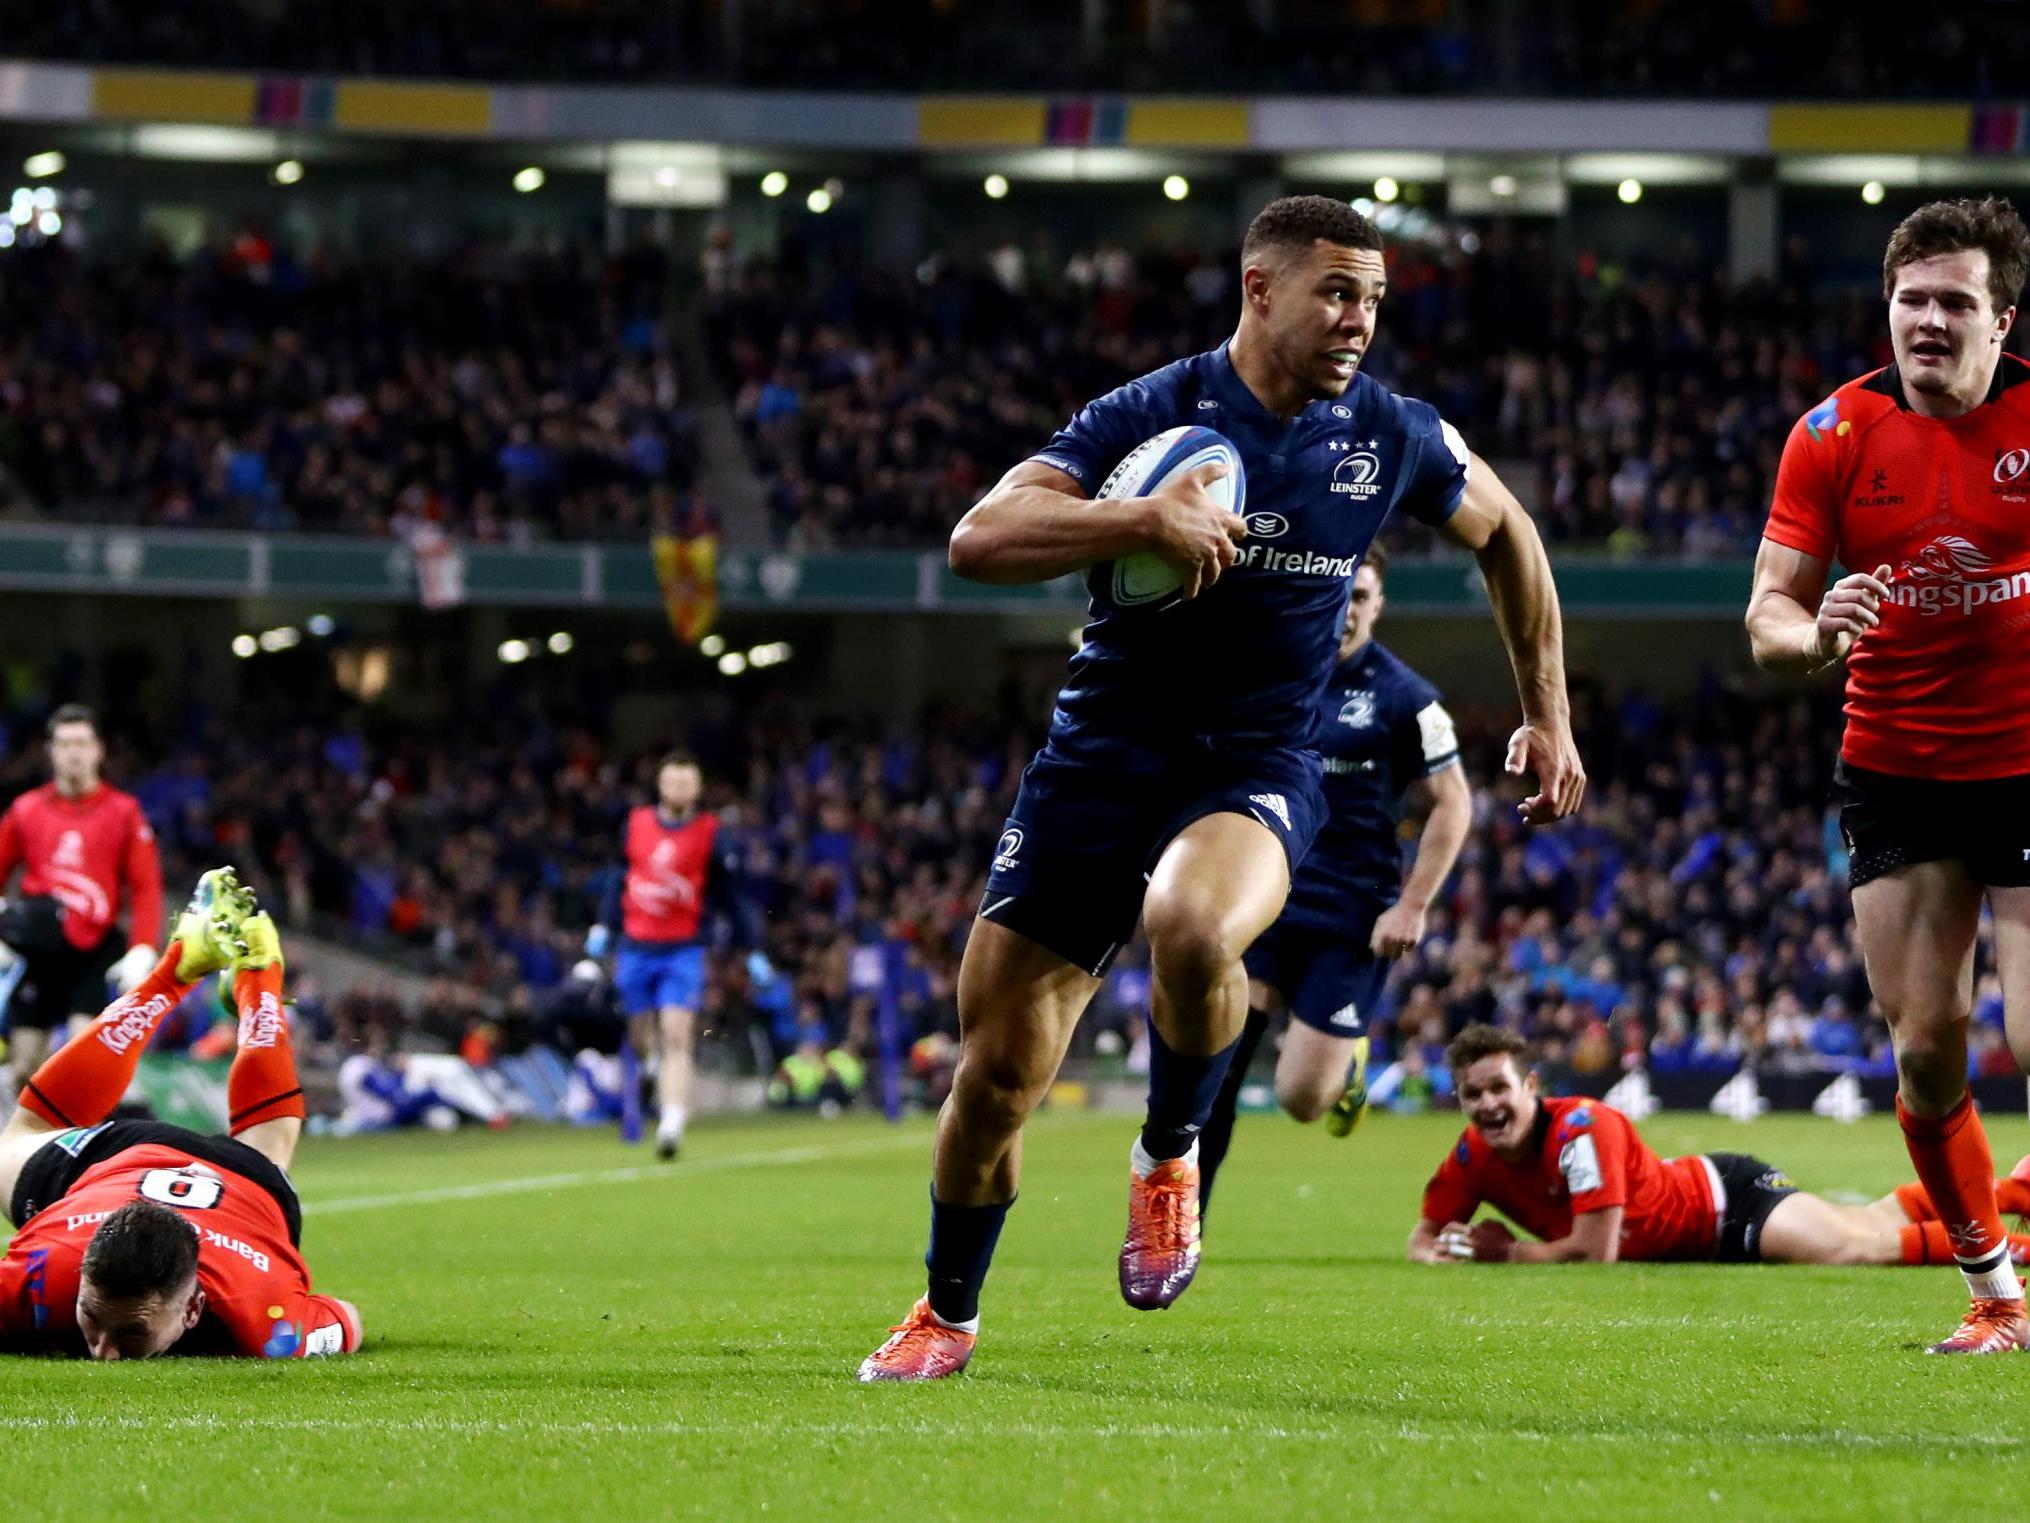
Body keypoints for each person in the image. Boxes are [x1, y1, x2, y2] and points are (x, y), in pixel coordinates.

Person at [858, 195, 1585, 1382]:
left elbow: (1507, 534)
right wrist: (1140, 517)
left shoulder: (1392, 432)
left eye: (1374, 299)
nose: (1358, 320)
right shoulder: (1150, 412)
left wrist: (1547, 716)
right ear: (1259, 289)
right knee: (990, 1078)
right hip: (1096, 762)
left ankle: (1168, 1153)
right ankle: (945, 1311)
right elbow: (978, 537)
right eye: (1335, 293)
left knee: (1191, 924)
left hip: (1254, 763)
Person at [1745, 195, 2030, 1352]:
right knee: (1922, 1046)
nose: (1925, 319)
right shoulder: (1830, 435)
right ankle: (1996, 1296)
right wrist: (1815, 629)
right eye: (1909, 298)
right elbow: (1764, 610)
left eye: (1952, 301)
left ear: (1999, 316)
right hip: (1897, 766)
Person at [1196, 544, 1472, 1213]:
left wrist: (1412, 905)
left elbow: (1453, 803)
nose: (1347, 609)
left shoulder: (1408, 698)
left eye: (1362, 596)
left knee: (1299, 1099)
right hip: (1269, 895)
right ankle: (1182, 1221)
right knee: (1221, 1065)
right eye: (1341, 592)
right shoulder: (1280, 670)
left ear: (1380, 604)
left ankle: (1346, 1068)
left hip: (1352, 913)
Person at [0, 868, 361, 1358]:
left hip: (144, 1167)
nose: (103, 1354)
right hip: (167, 1172)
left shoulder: (263, 1317)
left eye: (131, 1333)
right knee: (268, 1153)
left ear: (193, 1309)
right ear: (81, 1276)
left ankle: (193, 968)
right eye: (89, 1316)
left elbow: (348, 1320)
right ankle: (258, 978)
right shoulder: (44, 1273)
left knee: (25, 1133)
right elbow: (347, 1318)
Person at [1410, 1024, 2030, 1270]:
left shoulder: (1581, 1129)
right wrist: (1435, 1253)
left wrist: (1509, 1253)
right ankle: (2015, 1190)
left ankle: (2014, 1250)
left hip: (1727, 1205)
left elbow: (1594, 1253)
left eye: (1500, 1088)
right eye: (1473, 1095)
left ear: (1531, 1087)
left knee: (1853, 1249)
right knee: (1870, 1217)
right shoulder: (1472, 1153)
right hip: (1707, 1211)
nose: (1489, 1106)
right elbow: (1423, 1236)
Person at [583, 750, 748, 1161]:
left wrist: (752, 945)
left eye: (687, 782)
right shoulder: (636, 824)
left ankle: (671, 1123)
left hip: (683, 949)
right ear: (660, 785)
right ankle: (654, 1070)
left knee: (677, 1034)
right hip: (636, 947)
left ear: (698, 788)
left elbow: (730, 895)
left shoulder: (711, 832)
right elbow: (618, 879)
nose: (679, 789)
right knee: (641, 1036)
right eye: (672, 781)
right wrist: (603, 926)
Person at [0, 704, 164, 1096]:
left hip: (93, 951)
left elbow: (146, 887)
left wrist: (142, 947)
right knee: (24, 1067)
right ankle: (24, 1155)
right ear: (52, 751)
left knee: (81, 1066)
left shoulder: (124, 813)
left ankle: (79, 1154)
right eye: (65, 743)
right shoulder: (26, 810)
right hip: (37, 951)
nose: (74, 752)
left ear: (98, 750)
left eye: (82, 743)